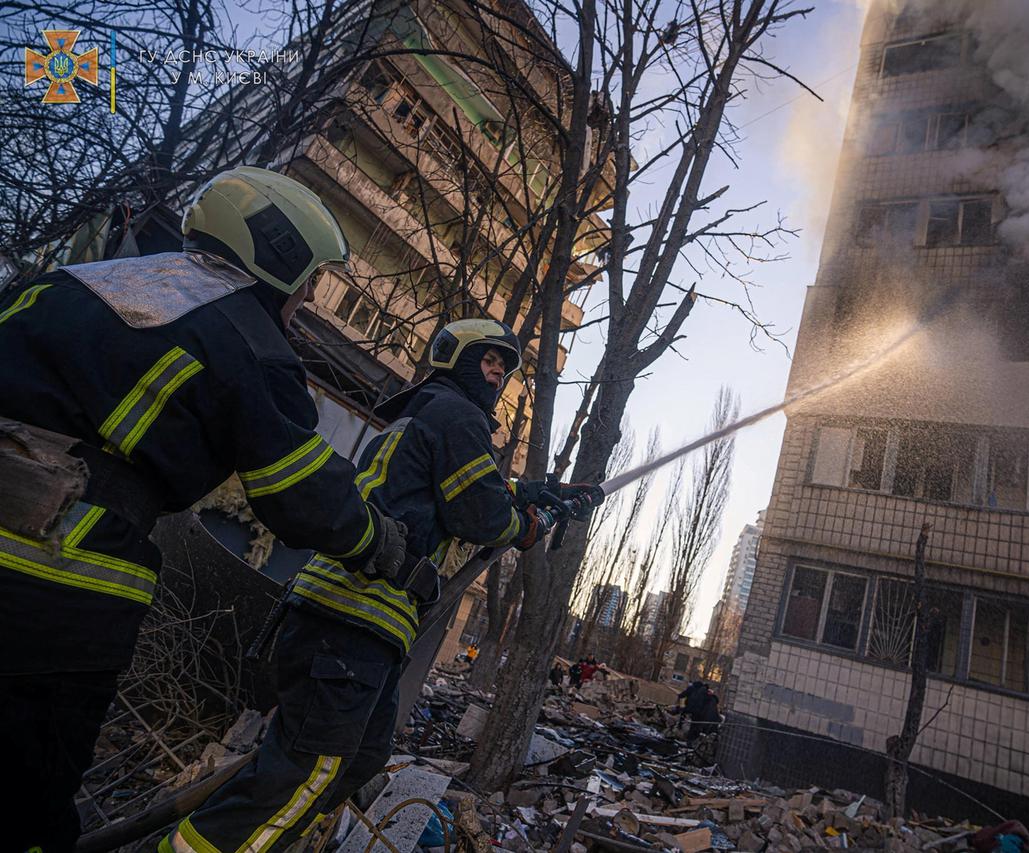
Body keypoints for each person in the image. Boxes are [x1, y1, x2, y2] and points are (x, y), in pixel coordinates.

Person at [0, 166, 408, 853]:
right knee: (26, 804)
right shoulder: (244, 338)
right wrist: (380, 541)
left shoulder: (78, 281)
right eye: (311, 278)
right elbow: (303, 496)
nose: (308, 298)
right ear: (279, 252)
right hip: (52, 572)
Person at [168, 317, 597, 851]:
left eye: (505, 368)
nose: (497, 375)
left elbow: (459, 483)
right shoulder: (458, 415)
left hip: (352, 618)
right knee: (311, 770)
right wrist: (529, 525)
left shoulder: (431, 414)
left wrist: (530, 489)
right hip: (354, 617)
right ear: (455, 358)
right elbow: (480, 514)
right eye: (488, 360)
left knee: (359, 759)